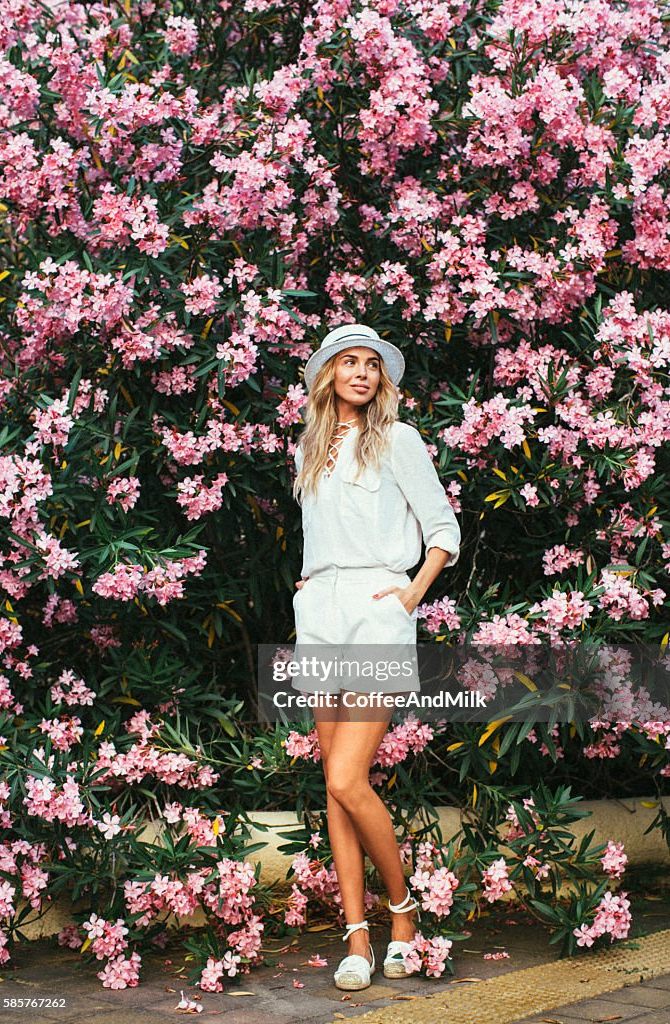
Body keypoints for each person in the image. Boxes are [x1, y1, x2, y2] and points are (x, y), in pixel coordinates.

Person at [290, 323, 461, 991]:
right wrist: (310, 579)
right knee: (333, 786)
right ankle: (357, 936)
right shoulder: (312, 448)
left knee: (345, 779)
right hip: (321, 612)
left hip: (376, 609)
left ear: (381, 380)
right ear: (330, 374)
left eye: (371, 364)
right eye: (348, 362)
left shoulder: (399, 440)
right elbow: (320, 530)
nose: (360, 372)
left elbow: (443, 527)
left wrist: (411, 594)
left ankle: (404, 913)